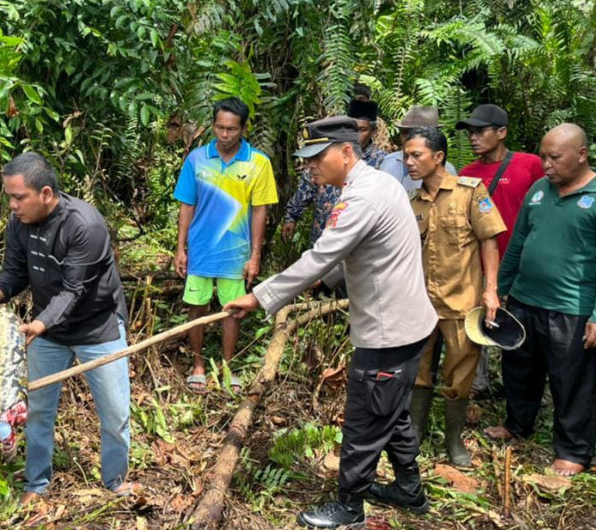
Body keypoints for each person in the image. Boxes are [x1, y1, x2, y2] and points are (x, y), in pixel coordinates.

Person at [225, 117, 437, 528]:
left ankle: (349, 507)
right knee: (391, 411)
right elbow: (357, 252)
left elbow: (321, 255)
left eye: (317, 158)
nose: (311, 168)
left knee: (365, 417)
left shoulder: (361, 197)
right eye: (306, 161)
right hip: (407, 324)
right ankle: (409, 489)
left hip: (388, 331)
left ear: (345, 152)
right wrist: (325, 282)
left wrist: (259, 297)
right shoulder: (377, 184)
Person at [0, 152, 135, 504]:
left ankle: (116, 481)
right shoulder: (19, 224)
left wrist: (39, 323)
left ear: (45, 193)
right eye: (10, 197)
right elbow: (13, 275)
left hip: (98, 327)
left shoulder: (84, 225)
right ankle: (36, 484)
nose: (12, 206)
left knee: (115, 412)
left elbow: (74, 290)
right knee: (39, 410)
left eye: (18, 198)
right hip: (48, 330)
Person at [486, 123, 596, 477]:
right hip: (523, 300)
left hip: (571, 308)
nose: (546, 164)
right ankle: (518, 425)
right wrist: (500, 288)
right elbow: (518, 242)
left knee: (571, 382)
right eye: (543, 155)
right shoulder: (538, 190)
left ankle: (574, 451)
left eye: (555, 157)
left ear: (581, 155)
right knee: (519, 369)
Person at [403, 126, 505, 466]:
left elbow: (489, 239)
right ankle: (414, 434)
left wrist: (491, 290)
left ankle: (453, 441)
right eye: (406, 155)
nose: (409, 162)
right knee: (419, 369)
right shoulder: (413, 201)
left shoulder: (470, 192)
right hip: (420, 304)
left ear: (439, 157)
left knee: (460, 373)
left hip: (461, 302)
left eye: (416, 155)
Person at [173, 97, 277, 393]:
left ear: (243, 128)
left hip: (235, 252)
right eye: (220, 127)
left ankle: (227, 367)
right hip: (201, 249)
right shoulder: (196, 159)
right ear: (213, 126)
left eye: (232, 129)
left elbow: (260, 211)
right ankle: (198, 365)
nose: (225, 135)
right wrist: (180, 248)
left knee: (232, 309)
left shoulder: (258, 163)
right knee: (196, 307)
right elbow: (186, 206)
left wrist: (255, 255)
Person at [455, 104, 543, 397]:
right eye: (470, 132)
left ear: (502, 132)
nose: (473, 138)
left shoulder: (529, 165)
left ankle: (524, 391)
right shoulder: (467, 174)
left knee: (520, 326)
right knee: (479, 321)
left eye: (480, 131)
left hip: (522, 266)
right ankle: (478, 385)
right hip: (480, 265)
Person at [281, 100, 387, 244]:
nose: (356, 135)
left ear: (373, 131)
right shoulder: (325, 156)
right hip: (323, 236)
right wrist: (291, 216)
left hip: (356, 241)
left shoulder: (382, 161)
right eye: (353, 129)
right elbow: (306, 186)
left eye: (362, 130)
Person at [379, 106, 457, 191]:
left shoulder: (447, 169)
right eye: (404, 133)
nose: (408, 138)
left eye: (415, 133)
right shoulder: (389, 162)